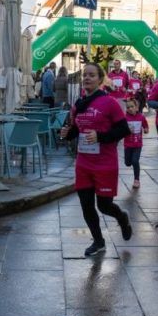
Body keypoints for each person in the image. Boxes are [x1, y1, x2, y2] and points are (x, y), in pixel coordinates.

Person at [61, 63, 133, 256]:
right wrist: (67, 133)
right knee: (86, 204)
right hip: (84, 162)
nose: (87, 78)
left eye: (92, 75)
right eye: (85, 75)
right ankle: (98, 241)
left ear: (100, 80)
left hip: (105, 163)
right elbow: (75, 130)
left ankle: (121, 217)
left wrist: (100, 136)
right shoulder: (78, 104)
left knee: (104, 205)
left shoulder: (109, 103)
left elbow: (123, 130)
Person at [124, 98, 149, 188]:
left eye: (132, 106)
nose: (130, 108)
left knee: (135, 161)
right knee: (127, 163)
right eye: (128, 107)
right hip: (128, 144)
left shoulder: (141, 117)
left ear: (137, 108)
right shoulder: (125, 118)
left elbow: (145, 125)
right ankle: (129, 162)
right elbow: (121, 129)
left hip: (137, 144)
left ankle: (136, 179)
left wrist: (146, 129)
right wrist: (126, 130)